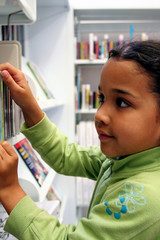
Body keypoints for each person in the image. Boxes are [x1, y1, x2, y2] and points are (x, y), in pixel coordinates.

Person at [0, 40, 160, 240]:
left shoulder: (148, 199)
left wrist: (9, 190)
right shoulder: (122, 158)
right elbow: (68, 156)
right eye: (102, 98)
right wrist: (29, 106)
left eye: (122, 102)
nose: (100, 114)